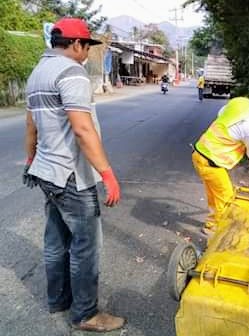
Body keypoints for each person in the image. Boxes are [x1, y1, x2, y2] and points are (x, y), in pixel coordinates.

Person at [23, 17, 125, 332]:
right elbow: (82, 129)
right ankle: (86, 314)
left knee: (56, 239)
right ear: (77, 44)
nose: (86, 55)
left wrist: (31, 160)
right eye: (86, 47)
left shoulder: (37, 73)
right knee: (85, 246)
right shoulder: (71, 72)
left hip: (45, 171)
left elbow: (31, 125)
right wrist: (107, 174)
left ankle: (59, 300)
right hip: (70, 176)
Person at [192, 93, 249, 235]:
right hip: (212, 161)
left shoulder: (241, 103)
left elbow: (222, 113)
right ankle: (215, 231)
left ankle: (211, 223)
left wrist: (244, 128)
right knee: (226, 198)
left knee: (214, 193)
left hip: (200, 153)